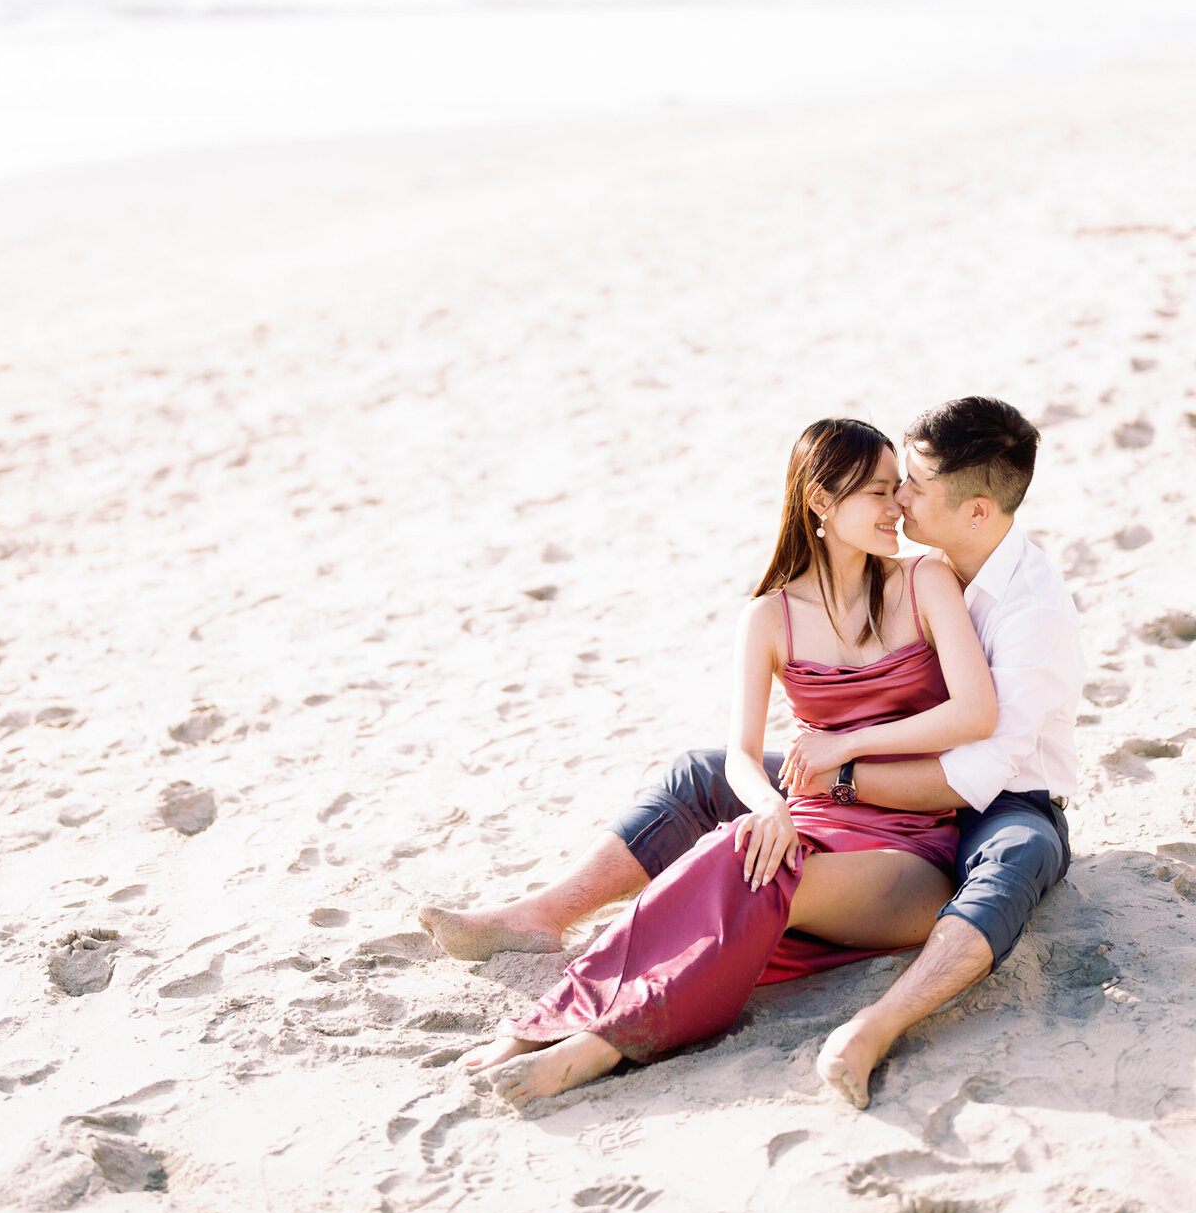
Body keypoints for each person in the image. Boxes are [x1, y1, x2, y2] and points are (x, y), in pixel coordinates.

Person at [424, 396, 1086, 1108]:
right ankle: (546, 924)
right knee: (719, 800)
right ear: (821, 503)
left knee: (995, 858)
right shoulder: (801, 606)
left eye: (911, 485)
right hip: (842, 794)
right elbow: (753, 752)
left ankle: (590, 1035)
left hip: (984, 804)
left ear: (977, 510)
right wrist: (782, 799)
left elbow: (975, 761)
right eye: (885, 486)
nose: (899, 500)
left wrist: (841, 761)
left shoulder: (985, 595)